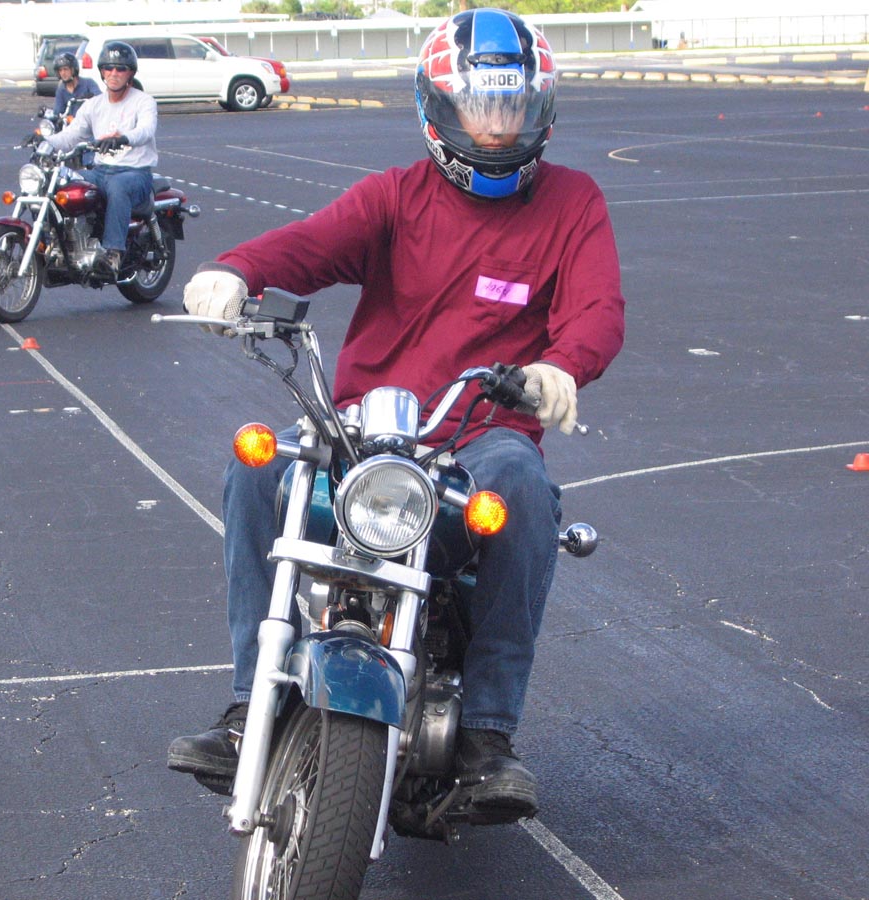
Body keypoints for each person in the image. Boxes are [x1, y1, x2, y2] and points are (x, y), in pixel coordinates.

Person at [167, 8, 625, 823]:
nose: (496, 126)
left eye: (511, 105)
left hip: (480, 436)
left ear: (539, 108)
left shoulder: (571, 202)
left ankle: (486, 734)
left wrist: (561, 367)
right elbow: (311, 243)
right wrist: (237, 270)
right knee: (258, 467)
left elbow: (598, 309)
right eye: (480, 106)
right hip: (365, 429)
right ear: (439, 108)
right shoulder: (396, 196)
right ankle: (248, 705)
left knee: (524, 491)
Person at [43, 41, 156, 280]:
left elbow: (146, 130)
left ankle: (113, 254)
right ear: (102, 71)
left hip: (134, 172)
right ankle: (58, 244)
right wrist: (45, 141)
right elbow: (71, 135)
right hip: (100, 170)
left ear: (130, 73)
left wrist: (123, 138)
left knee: (118, 187)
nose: (114, 73)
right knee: (62, 182)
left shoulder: (143, 101)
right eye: (109, 68)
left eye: (121, 68)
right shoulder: (93, 105)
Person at [51, 52, 100, 125]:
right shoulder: (61, 90)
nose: (63, 73)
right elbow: (58, 112)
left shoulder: (89, 83)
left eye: (65, 69)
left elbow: (99, 99)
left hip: (89, 124)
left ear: (73, 69)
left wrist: (89, 97)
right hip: (70, 126)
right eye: (60, 70)